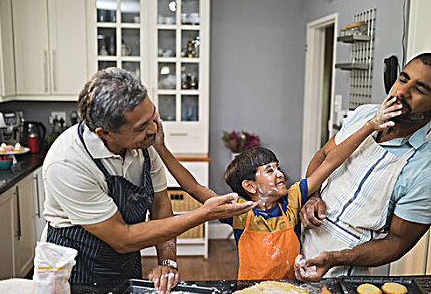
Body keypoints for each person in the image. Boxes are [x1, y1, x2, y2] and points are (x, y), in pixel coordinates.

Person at [42, 68, 256, 293]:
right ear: (105, 133)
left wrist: (167, 262)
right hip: (75, 272)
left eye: (153, 116)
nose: (154, 130)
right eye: (141, 127)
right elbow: (122, 238)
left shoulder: (144, 146)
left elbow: (160, 205)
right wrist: (203, 214)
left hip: (126, 262)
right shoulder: (68, 163)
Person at [152, 97, 400, 280]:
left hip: (290, 291)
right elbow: (192, 186)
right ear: (250, 186)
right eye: (269, 171)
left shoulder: (293, 200)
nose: (280, 173)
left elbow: (332, 161)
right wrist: (161, 148)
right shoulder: (238, 212)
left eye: (277, 167)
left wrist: (370, 126)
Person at [295, 53, 431, 279]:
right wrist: (313, 196)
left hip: (341, 274)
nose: (402, 92)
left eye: (419, 89)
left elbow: (396, 243)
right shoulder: (364, 115)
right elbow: (324, 155)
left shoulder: (428, 173)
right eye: (403, 79)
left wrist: (335, 258)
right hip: (298, 240)